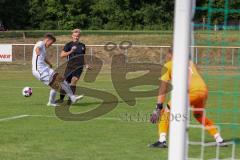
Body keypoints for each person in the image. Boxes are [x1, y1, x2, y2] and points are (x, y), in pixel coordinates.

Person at [149, 48, 227, 148]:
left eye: (168, 54)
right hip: (203, 91)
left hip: (191, 92)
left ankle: (162, 140)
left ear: (171, 55)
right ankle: (219, 139)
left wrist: (158, 108)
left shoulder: (168, 65)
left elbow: (163, 88)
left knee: (165, 112)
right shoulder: (189, 62)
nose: (167, 56)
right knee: (199, 116)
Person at [32, 33, 83, 107]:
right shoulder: (40, 43)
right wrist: (37, 51)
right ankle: (51, 102)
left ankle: (72, 97)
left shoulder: (44, 47)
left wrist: (49, 63)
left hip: (45, 68)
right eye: (51, 43)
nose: (51, 45)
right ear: (47, 40)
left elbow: (43, 57)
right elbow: (37, 48)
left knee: (61, 79)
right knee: (56, 85)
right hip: (39, 71)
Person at [56, 29, 91, 103]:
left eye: (77, 36)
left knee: (74, 81)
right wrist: (71, 51)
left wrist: (86, 64)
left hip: (79, 67)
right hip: (70, 67)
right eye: (75, 36)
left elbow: (83, 56)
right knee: (64, 83)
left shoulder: (82, 46)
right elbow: (61, 55)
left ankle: (70, 99)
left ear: (79, 36)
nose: (76, 37)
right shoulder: (68, 45)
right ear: (72, 36)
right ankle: (61, 99)